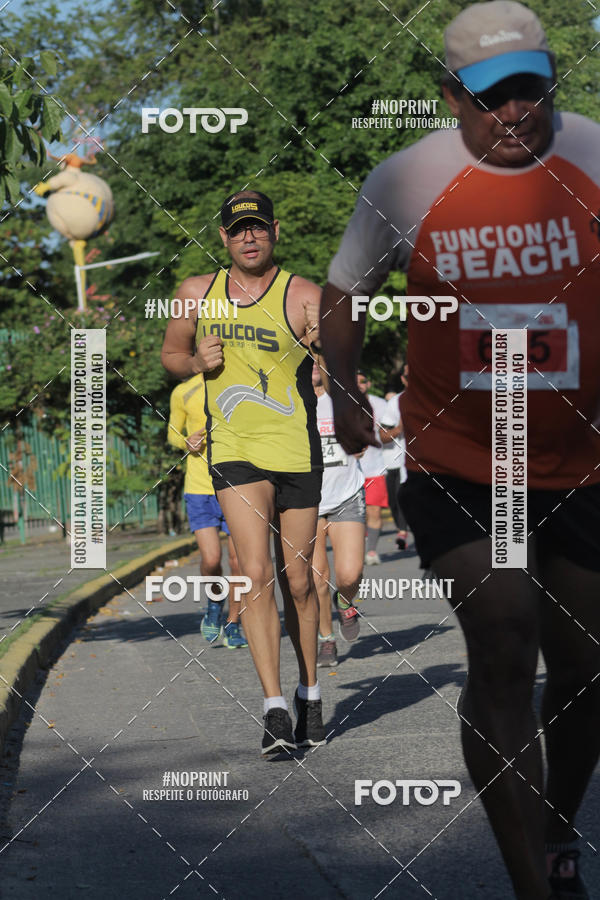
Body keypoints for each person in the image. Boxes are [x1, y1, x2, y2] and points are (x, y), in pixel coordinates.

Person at [320, 3, 600, 898]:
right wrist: (342, 388)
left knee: (587, 669)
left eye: (532, 91)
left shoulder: (595, 158)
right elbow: (342, 290)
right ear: (452, 97)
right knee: (506, 642)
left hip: (585, 463)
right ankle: (536, 886)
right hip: (462, 461)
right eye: (492, 98)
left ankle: (557, 817)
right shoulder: (404, 181)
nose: (516, 113)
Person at [161, 190, 327, 756]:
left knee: (299, 581)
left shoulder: (304, 294)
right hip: (234, 450)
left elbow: (332, 364)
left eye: (257, 228)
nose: (248, 237)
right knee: (253, 573)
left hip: (297, 450)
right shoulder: (195, 293)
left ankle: (310, 690)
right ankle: (274, 709)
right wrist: (195, 362)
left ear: (274, 231)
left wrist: (323, 351)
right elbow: (171, 356)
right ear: (224, 237)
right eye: (238, 230)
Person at [167, 375, 247, 649]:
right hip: (200, 488)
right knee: (211, 559)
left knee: (238, 562)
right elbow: (172, 432)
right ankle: (215, 601)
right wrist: (185, 442)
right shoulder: (184, 390)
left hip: (237, 485)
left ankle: (234, 623)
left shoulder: (238, 382)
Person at [311, 362, 364, 667]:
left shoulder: (343, 397)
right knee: (317, 579)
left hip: (346, 494)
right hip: (307, 501)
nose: (314, 363)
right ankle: (326, 639)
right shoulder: (291, 400)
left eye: (319, 357)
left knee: (350, 574)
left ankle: (344, 600)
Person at [356, 371, 390, 565]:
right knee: (354, 516)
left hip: (374, 468)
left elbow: (387, 432)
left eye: (363, 381)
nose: (359, 384)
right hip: (349, 470)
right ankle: (354, 551)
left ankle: (371, 552)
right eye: (356, 382)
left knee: (374, 512)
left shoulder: (380, 404)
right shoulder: (340, 402)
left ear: (368, 384)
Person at [382, 363, 410, 550]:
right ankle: (402, 530)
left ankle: (403, 533)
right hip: (401, 463)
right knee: (396, 501)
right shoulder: (396, 403)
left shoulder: (435, 397)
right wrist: (399, 428)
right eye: (408, 376)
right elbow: (383, 436)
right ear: (402, 379)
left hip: (434, 464)